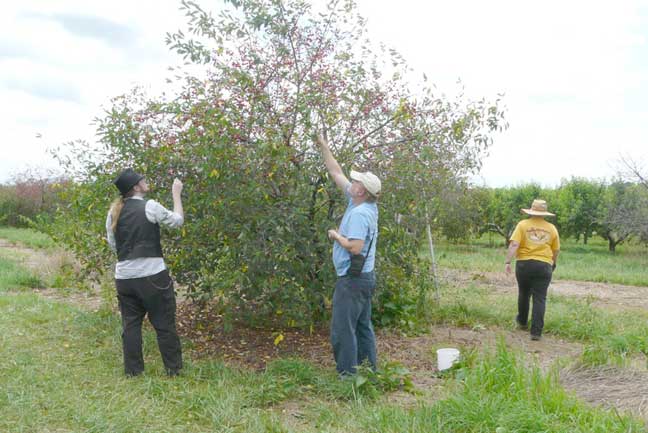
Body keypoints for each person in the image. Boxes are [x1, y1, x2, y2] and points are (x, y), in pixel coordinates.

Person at [106, 168, 185, 377]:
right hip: (153, 278)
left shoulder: (113, 213)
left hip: (124, 278)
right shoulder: (150, 207)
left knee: (130, 324)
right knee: (163, 322)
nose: (146, 181)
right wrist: (176, 193)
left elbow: (113, 244)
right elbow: (177, 221)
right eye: (143, 180)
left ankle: (133, 372)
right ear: (136, 187)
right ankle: (173, 370)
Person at [317, 134, 381, 376]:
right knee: (363, 325)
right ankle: (368, 370)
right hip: (364, 278)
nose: (351, 182)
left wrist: (335, 236)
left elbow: (355, 247)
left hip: (352, 280)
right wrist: (325, 147)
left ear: (361, 191)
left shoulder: (359, 214)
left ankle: (348, 376)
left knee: (343, 328)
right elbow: (336, 172)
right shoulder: (361, 204)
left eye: (356, 182)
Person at [505, 199, 560, 341]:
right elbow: (556, 249)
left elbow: (514, 244)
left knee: (524, 293)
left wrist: (508, 261)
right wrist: (553, 263)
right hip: (544, 265)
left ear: (531, 211)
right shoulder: (552, 228)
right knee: (540, 298)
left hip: (524, 264)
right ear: (544, 213)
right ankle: (536, 332)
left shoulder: (522, 225)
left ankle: (522, 322)